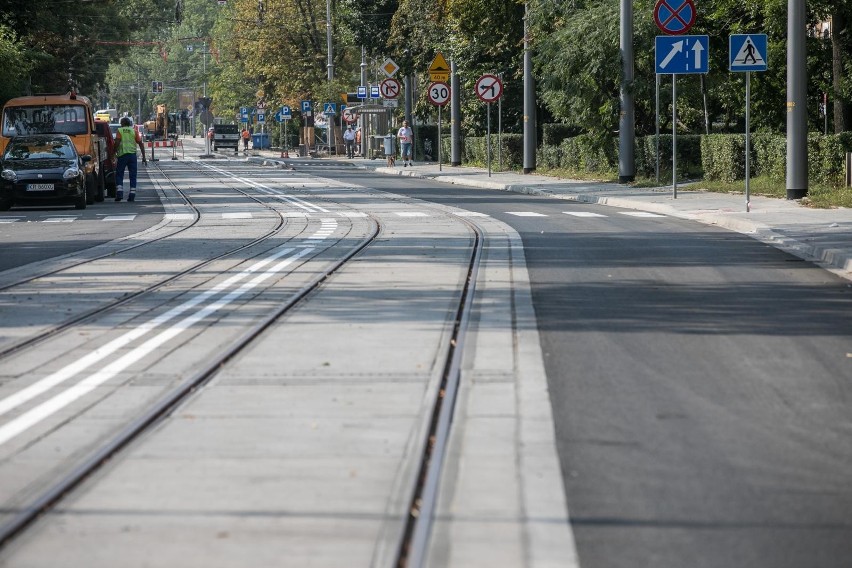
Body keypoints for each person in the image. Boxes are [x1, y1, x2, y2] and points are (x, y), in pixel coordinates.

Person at [113, 116, 146, 202]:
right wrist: (144, 157)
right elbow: (141, 144)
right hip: (132, 156)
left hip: (122, 155)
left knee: (119, 174)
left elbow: (117, 142)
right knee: (133, 175)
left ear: (122, 123)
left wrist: (113, 152)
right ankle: (132, 195)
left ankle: (119, 193)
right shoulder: (134, 131)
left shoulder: (120, 131)